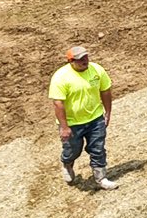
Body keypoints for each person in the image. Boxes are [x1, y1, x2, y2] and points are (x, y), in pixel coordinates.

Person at [50, 45, 119, 190]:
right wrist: (64, 127)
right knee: (73, 150)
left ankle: (101, 178)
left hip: (95, 119)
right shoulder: (60, 77)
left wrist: (107, 112)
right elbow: (58, 103)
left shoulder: (97, 70)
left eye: (86, 57)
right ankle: (67, 163)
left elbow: (105, 90)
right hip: (73, 123)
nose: (85, 61)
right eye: (80, 59)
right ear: (71, 61)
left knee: (98, 148)